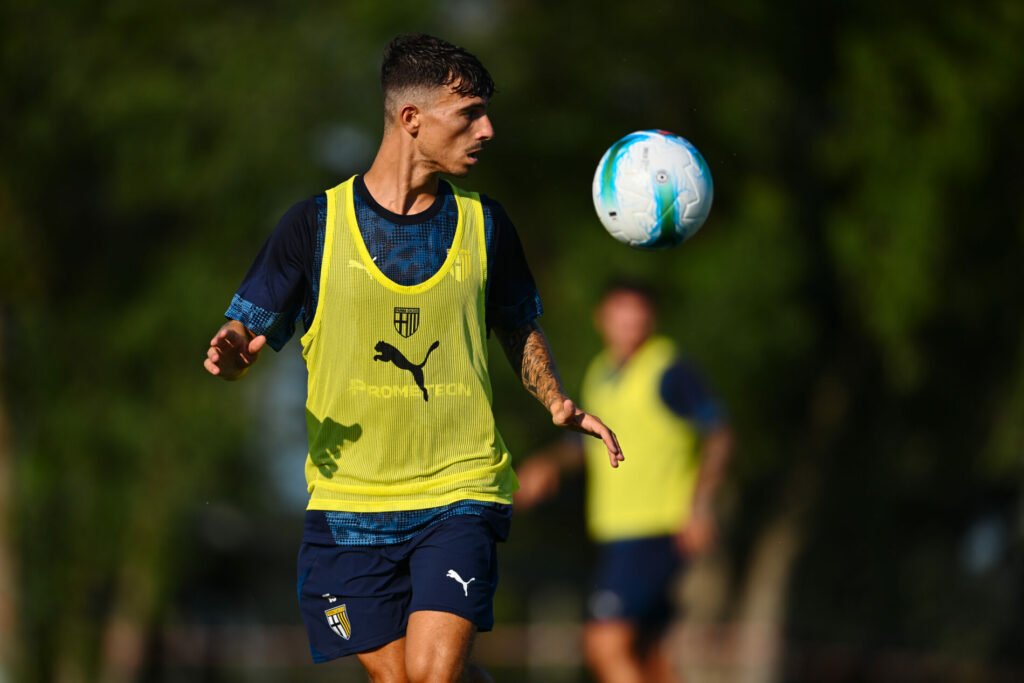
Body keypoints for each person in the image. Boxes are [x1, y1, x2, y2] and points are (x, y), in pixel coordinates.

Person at [203, 33, 622, 682]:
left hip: (459, 491)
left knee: (431, 675)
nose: (487, 130)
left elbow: (518, 324)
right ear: (411, 118)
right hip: (348, 503)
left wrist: (556, 398)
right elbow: (246, 329)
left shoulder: (488, 225)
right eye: (469, 114)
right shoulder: (312, 226)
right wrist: (232, 351)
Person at [515, 280, 732, 683]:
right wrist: (548, 464)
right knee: (651, 655)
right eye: (622, 310)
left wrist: (701, 505)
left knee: (604, 643)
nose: (631, 319)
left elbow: (718, 435)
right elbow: (585, 445)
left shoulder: (670, 370)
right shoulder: (601, 372)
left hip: (657, 528)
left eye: (639, 309)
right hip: (617, 531)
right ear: (602, 318)